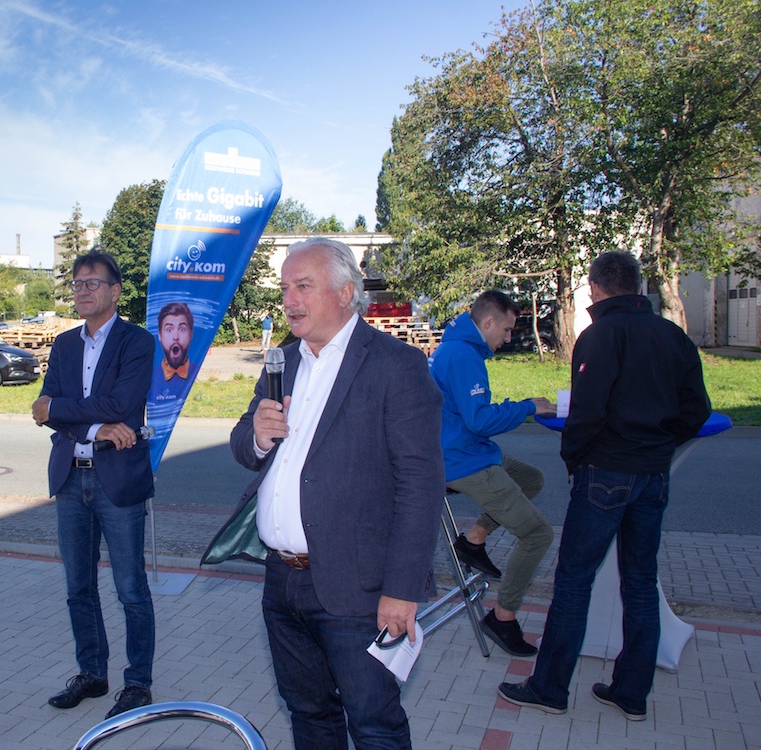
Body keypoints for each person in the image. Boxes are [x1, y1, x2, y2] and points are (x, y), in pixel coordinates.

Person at [202, 237, 446, 750]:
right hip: (281, 581)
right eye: (285, 287)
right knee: (309, 716)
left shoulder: (395, 365)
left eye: (303, 286)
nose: (289, 299)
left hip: (357, 586)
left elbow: (420, 486)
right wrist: (258, 434)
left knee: (374, 722)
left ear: (344, 291)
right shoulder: (282, 362)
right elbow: (244, 447)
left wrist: (401, 590)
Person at [499, 251, 711, 720]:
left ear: (595, 288)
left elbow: (586, 413)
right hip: (653, 476)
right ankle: (631, 693)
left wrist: (575, 459)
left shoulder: (599, 336)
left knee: (574, 582)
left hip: (605, 473)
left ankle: (550, 688)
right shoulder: (673, 336)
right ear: (637, 288)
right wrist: (658, 445)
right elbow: (696, 411)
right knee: (640, 582)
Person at [31, 251, 157, 720]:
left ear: (115, 291)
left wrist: (71, 412)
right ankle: (93, 673)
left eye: (92, 283)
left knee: (130, 589)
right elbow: (42, 410)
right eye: (78, 284)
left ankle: (138, 683)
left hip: (117, 481)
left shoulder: (137, 343)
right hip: (70, 479)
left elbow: (121, 402)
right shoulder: (63, 345)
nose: (82, 291)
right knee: (77, 588)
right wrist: (96, 428)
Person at [428, 291, 556, 656]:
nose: (509, 337)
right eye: (507, 329)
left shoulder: (454, 348)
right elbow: (480, 420)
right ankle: (503, 617)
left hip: (463, 451)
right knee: (537, 534)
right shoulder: (464, 356)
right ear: (487, 323)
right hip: (461, 461)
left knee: (531, 478)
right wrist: (527, 407)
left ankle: (474, 540)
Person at [156, 302, 195, 381]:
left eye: (182, 329)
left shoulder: (198, 373)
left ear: (190, 334)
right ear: (160, 335)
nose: (176, 337)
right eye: (169, 330)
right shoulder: (151, 375)